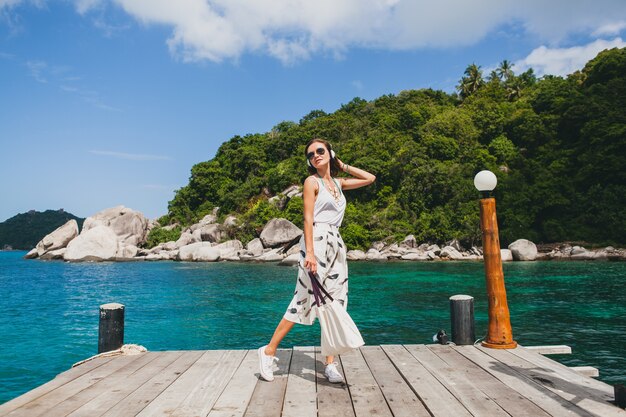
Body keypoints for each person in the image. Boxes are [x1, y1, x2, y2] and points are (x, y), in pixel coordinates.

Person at [258, 138, 376, 383]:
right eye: (311, 154)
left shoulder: (338, 183)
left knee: (336, 300)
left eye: (320, 151)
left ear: (330, 153)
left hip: (336, 242)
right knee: (303, 299)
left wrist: (343, 165)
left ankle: (330, 363)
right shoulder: (311, 182)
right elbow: (308, 218)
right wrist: (309, 253)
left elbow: (370, 178)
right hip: (317, 241)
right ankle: (268, 352)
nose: (315, 156)